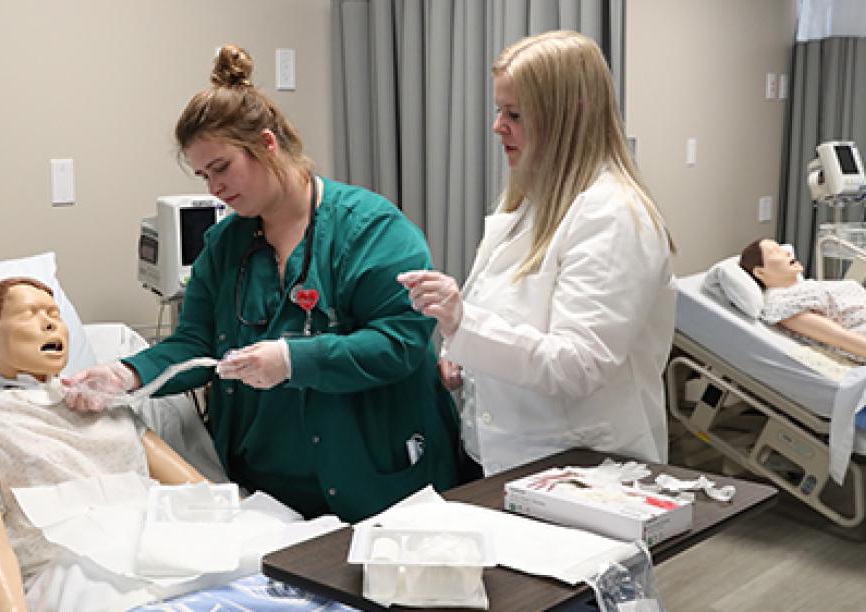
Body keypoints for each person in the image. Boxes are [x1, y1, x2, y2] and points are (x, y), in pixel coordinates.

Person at [63, 44, 462, 523]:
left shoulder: (372, 230)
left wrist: (293, 360)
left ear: (267, 145)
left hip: (376, 479)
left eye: (222, 168)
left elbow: (399, 342)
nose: (213, 188)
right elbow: (196, 344)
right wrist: (127, 374)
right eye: (202, 174)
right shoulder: (225, 245)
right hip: (270, 494)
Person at [397, 31, 676, 476]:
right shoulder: (532, 200)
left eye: (515, 114)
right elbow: (510, 318)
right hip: (506, 455)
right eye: (498, 110)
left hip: (580, 467)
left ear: (567, 117)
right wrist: (465, 355)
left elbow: (580, 364)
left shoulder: (613, 215)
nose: (497, 126)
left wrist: (463, 323)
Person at [0, 277, 207, 611]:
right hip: (82, 584)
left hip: (176, 564)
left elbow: (202, 495)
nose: (50, 322)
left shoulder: (106, 407)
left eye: (54, 313)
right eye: (29, 314)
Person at [741, 237, 866, 362]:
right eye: (775, 251)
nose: (787, 252)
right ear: (760, 272)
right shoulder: (782, 302)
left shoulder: (803, 287)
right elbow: (841, 338)